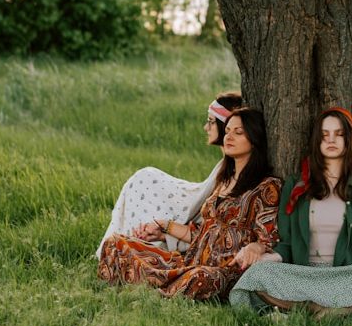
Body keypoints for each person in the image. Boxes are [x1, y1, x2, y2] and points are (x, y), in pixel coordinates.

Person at [98, 107, 282, 301]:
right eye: (227, 131)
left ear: (254, 138)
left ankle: (147, 286)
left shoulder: (266, 187)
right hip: (190, 261)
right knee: (115, 243)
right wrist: (164, 227)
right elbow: (202, 235)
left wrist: (256, 247)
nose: (229, 137)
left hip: (222, 271)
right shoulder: (223, 180)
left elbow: (268, 239)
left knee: (199, 279)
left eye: (238, 132)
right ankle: (156, 286)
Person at [230, 107, 352, 315]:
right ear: (316, 140)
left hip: (346, 276)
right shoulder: (295, 185)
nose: (331, 140)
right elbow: (287, 244)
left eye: (339, 134)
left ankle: (307, 309)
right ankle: (331, 310)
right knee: (258, 273)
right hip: (303, 275)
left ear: (349, 139)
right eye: (324, 135)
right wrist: (264, 260)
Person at [95, 92, 242, 258]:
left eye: (211, 121)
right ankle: (133, 242)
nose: (205, 127)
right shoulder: (225, 166)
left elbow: (208, 223)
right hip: (195, 235)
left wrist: (166, 229)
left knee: (145, 180)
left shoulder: (234, 171)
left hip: (207, 244)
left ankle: (134, 247)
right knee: (145, 178)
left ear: (224, 124)